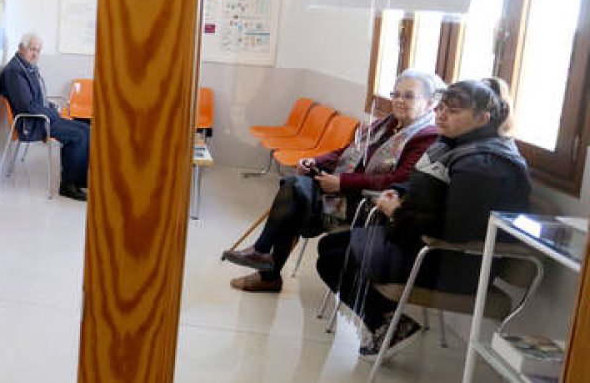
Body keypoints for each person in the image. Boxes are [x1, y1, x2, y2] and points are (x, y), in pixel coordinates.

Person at [315, 77, 531, 362]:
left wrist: (397, 212)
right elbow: (426, 182)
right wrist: (398, 192)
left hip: (454, 263)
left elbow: (453, 231)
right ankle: (389, 323)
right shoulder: (451, 143)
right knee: (330, 247)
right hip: (420, 243)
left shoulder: (485, 166)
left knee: (333, 259)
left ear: (483, 118)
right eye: (441, 107)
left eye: (453, 111)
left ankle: (388, 325)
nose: (441, 114)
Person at [223, 69, 444, 292]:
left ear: (430, 103)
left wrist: (342, 182)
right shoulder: (385, 124)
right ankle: (264, 263)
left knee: (294, 198)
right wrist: (314, 160)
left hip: (367, 205)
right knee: (295, 190)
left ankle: (265, 267)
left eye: (408, 96)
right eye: (395, 94)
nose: (398, 101)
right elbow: (345, 151)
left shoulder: (427, 135)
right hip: (342, 190)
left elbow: (398, 180)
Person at [0, 33, 91, 201]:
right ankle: (68, 185)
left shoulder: (26, 67)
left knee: (85, 128)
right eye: (32, 49)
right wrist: (53, 113)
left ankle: (78, 179)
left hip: (41, 118)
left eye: (38, 51)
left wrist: (51, 109)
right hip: (32, 123)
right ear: (21, 48)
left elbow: (37, 100)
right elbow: (27, 106)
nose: (35, 54)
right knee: (79, 135)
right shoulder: (15, 71)